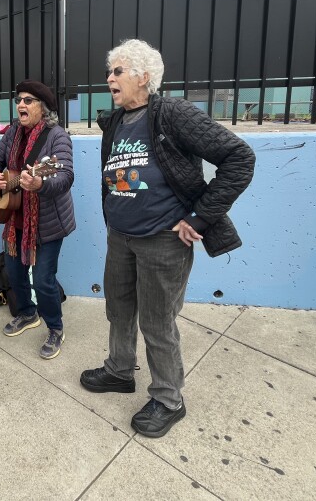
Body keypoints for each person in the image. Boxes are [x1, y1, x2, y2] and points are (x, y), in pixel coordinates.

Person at [80, 39, 255, 439]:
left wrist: (201, 217)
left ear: (143, 76)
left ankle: (168, 399)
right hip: (120, 237)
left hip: (162, 240)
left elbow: (239, 158)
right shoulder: (115, 121)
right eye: (110, 71)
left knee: (157, 323)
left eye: (118, 71)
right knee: (119, 310)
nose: (109, 78)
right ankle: (120, 371)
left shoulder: (172, 113)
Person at [0, 80, 75, 360]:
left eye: (28, 100)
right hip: (14, 218)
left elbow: (65, 176)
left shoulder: (57, 136)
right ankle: (26, 313)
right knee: (14, 272)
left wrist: (40, 184)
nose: (21, 104)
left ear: (43, 109)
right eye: (19, 100)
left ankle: (55, 328)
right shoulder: (12, 133)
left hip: (47, 222)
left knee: (44, 280)